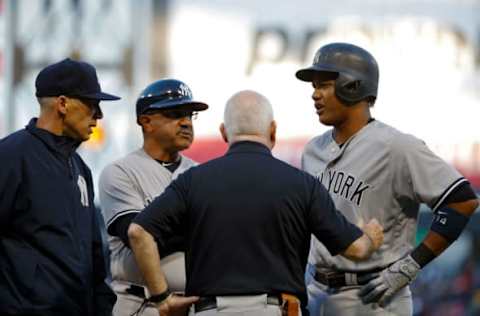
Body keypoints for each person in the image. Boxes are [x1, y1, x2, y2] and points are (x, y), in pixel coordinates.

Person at [126, 90, 384, 316]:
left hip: (209, 310)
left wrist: (162, 299)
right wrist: (370, 236)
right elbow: (357, 250)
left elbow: (138, 232)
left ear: (224, 132)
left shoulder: (191, 181)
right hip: (276, 309)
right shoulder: (302, 184)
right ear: (272, 130)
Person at [295, 42, 479, 316]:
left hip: (375, 297)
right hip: (316, 291)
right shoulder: (312, 151)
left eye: (323, 85)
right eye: (314, 87)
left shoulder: (397, 146)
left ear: (352, 86)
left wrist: (411, 265)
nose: (315, 95)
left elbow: (462, 200)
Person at [0, 58, 120, 315]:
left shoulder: (80, 168)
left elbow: (94, 255)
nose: (98, 115)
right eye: (91, 104)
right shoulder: (10, 157)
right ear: (63, 103)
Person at [98, 79, 208, 316]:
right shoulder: (120, 172)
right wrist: (194, 230)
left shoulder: (200, 173)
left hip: (193, 305)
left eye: (190, 115)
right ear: (146, 121)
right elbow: (138, 237)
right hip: (141, 303)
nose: (186, 122)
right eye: (176, 113)